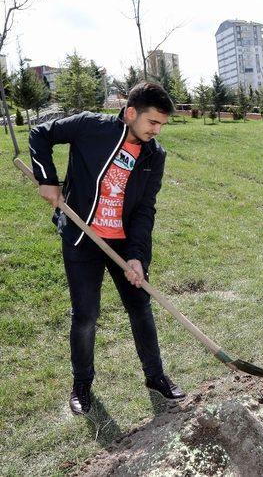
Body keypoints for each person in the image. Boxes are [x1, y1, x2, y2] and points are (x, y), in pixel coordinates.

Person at [29, 82, 185, 415]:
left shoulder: (154, 155)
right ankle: (82, 385)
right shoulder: (91, 127)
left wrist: (138, 257)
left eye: (161, 125)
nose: (156, 131)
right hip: (82, 238)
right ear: (131, 113)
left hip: (122, 242)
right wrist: (47, 178)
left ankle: (155, 377)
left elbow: (145, 209)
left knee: (140, 306)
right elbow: (41, 133)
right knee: (85, 316)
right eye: (152, 122)